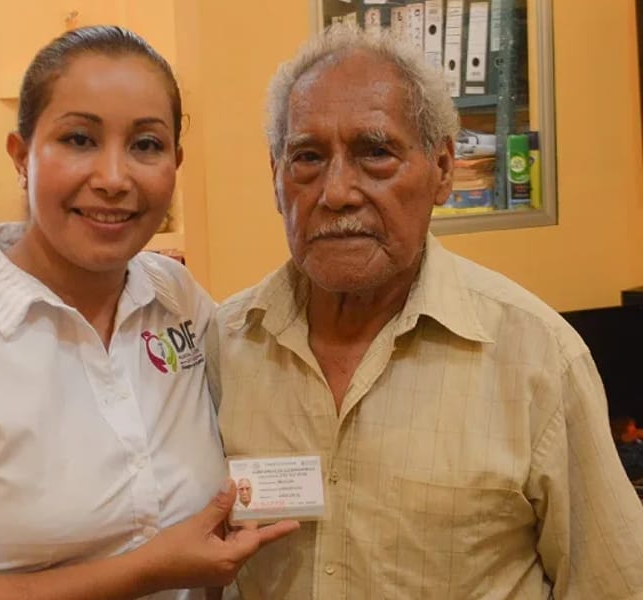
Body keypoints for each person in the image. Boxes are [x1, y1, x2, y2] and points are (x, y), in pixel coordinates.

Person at [0, 26, 297, 600]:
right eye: (79, 139)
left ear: (175, 164)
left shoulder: (173, 295)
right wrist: (146, 570)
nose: (113, 178)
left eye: (146, 145)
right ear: (21, 156)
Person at [207, 25, 643, 599]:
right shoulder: (225, 346)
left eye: (376, 152)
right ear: (275, 178)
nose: (336, 192)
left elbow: (610, 583)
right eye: (307, 157)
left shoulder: (538, 358)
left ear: (442, 169)